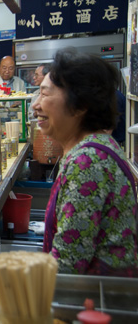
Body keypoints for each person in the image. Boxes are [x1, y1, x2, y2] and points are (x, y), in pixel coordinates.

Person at [33, 48, 138, 276]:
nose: (36, 105)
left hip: (95, 303)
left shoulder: (88, 161)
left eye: (45, 94)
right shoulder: (90, 148)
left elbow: (68, 264)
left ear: (80, 106)